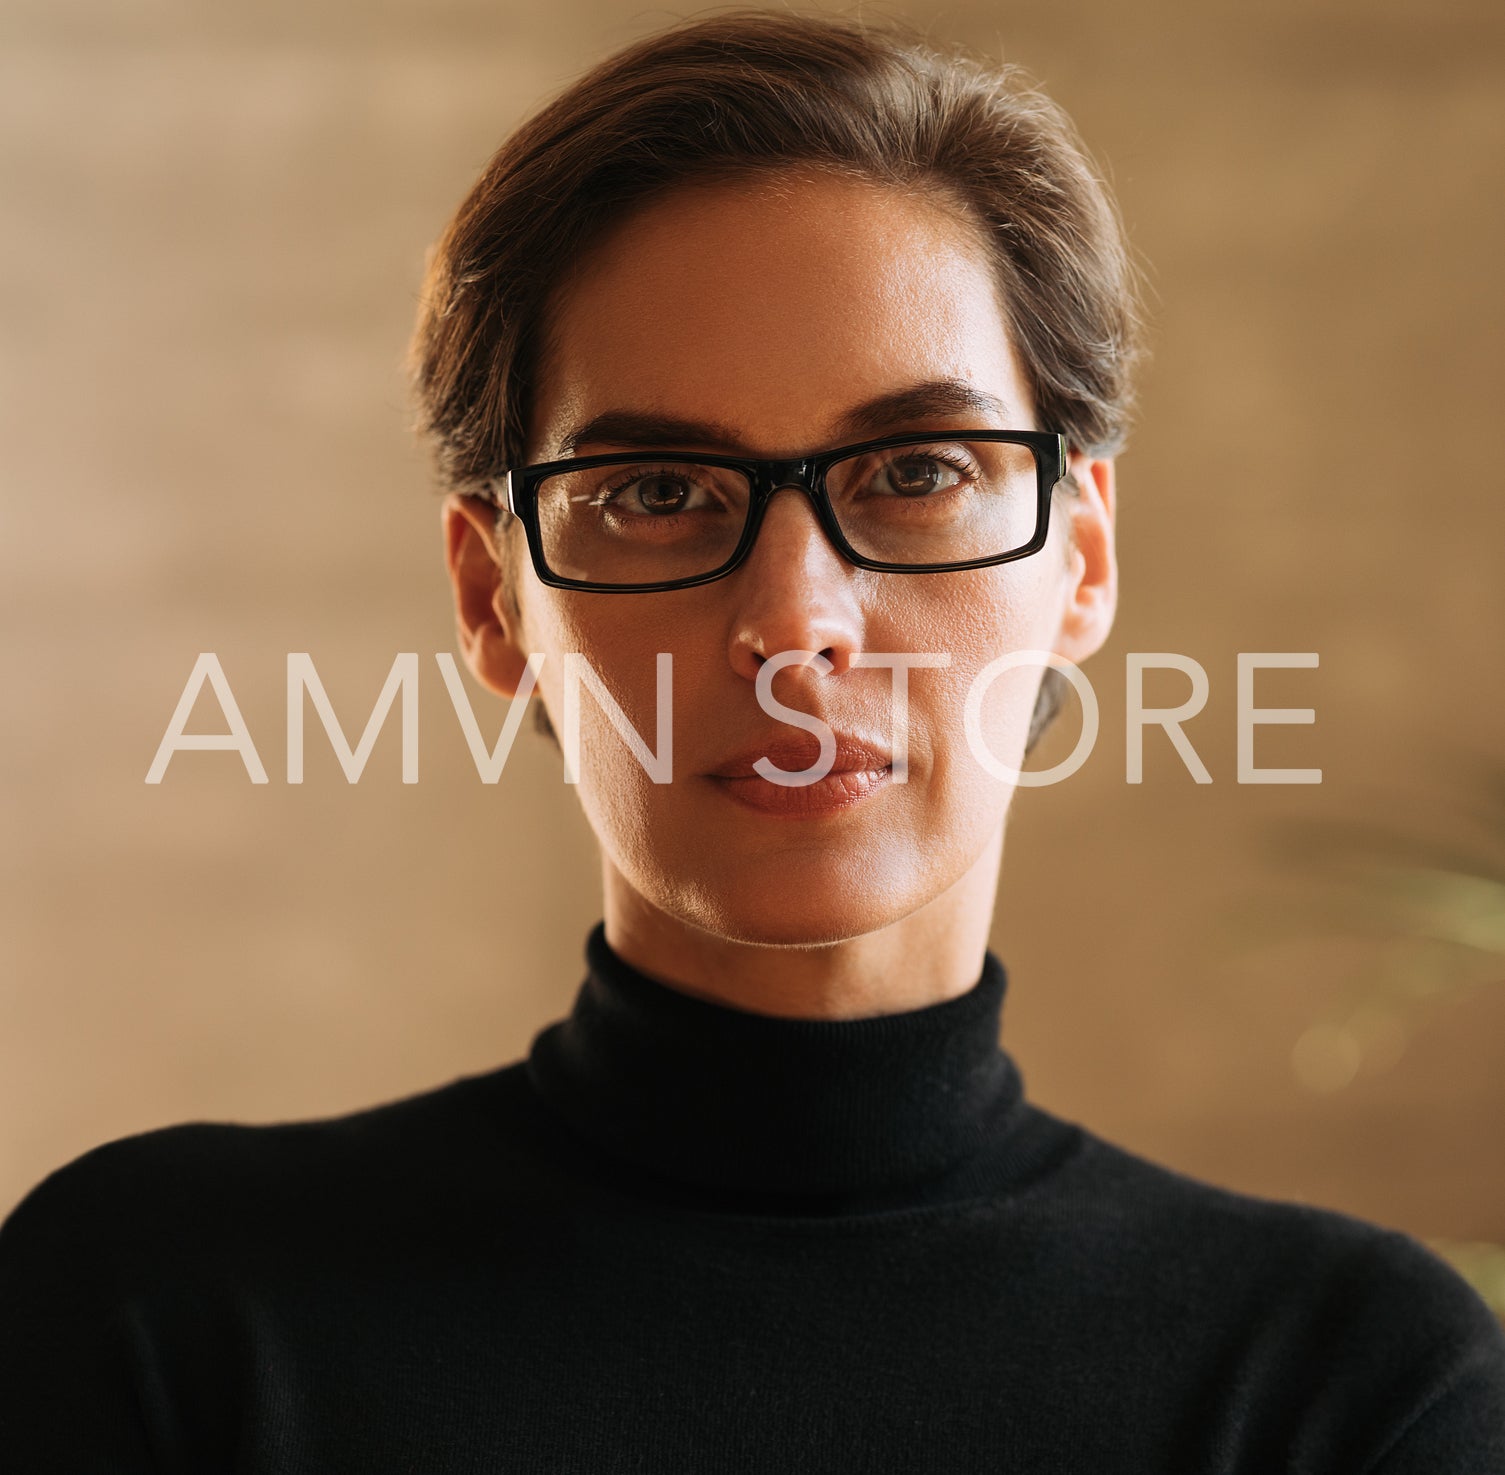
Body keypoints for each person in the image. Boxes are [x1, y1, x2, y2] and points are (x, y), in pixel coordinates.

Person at [1, 10, 1501, 1470]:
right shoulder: (161, 1314)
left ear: (1080, 562)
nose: (794, 625)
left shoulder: (1348, 1389)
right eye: (658, 491)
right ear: (492, 596)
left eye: (917, 467)